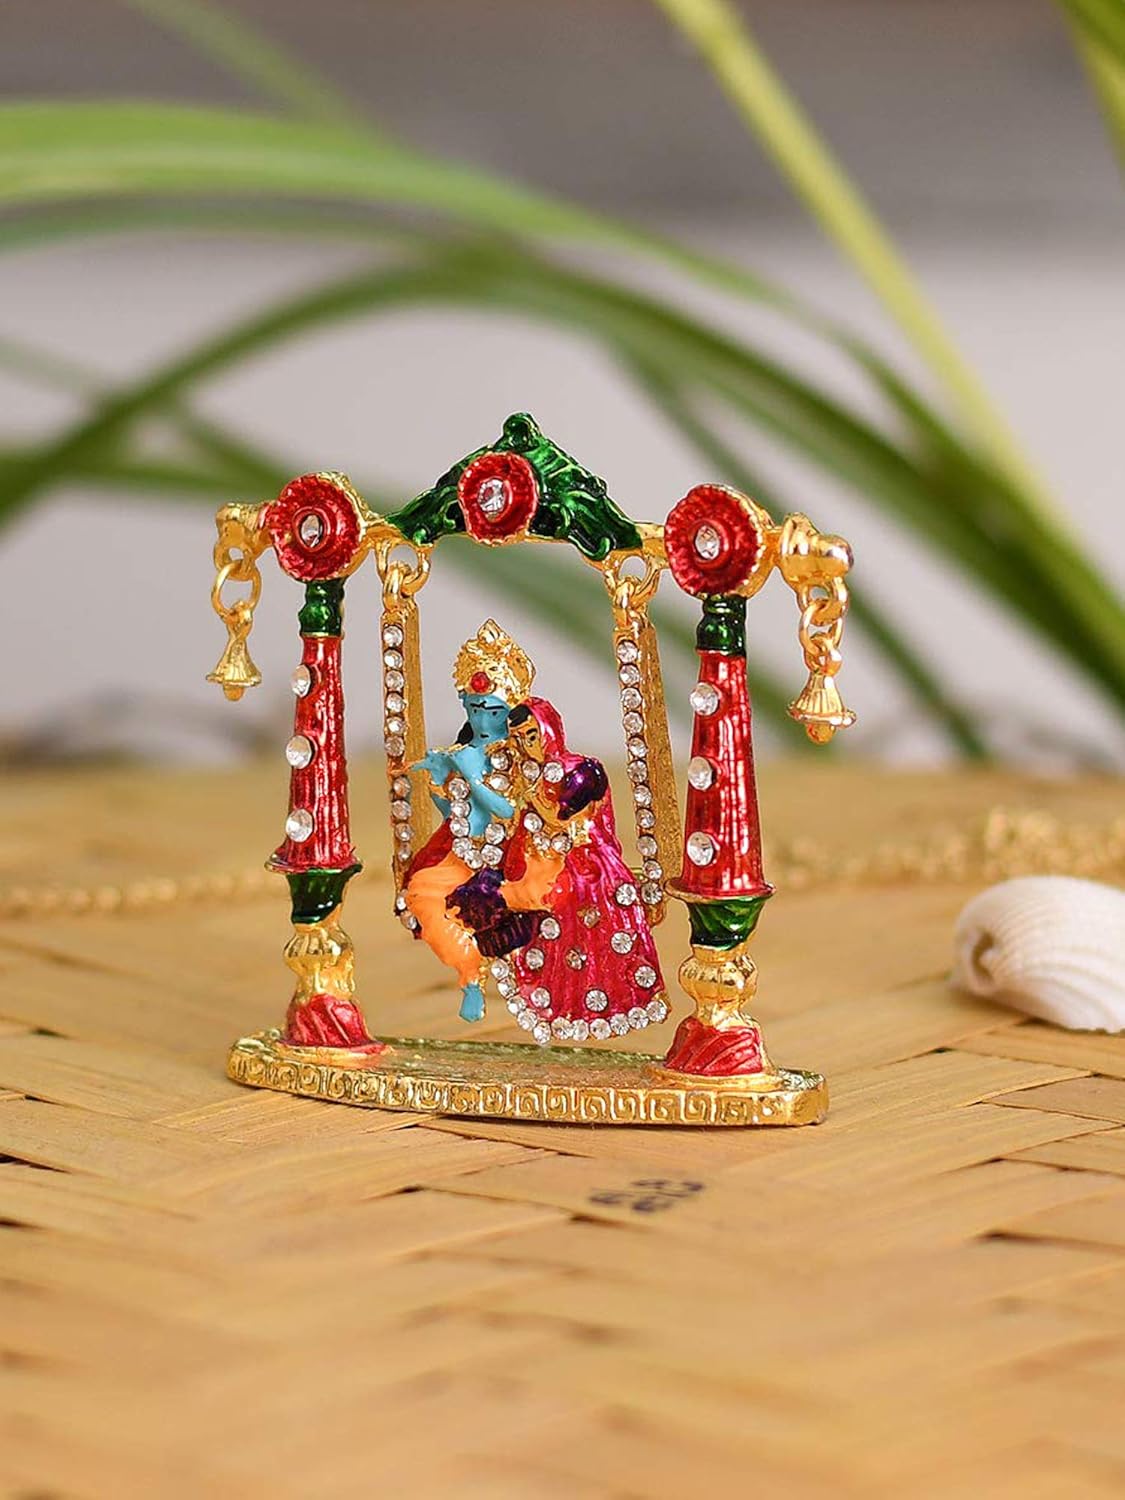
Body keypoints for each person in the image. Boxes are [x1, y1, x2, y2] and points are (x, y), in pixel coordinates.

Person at [487, 697, 668, 1045]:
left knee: (589, 921)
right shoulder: (533, 775)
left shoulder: (583, 770)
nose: (527, 746)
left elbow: (561, 817)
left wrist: (527, 793)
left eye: (531, 735)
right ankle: (561, 1010)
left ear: (549, 730)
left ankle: (621, 1007)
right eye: (519, 739)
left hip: (591, 866)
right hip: (549, 864)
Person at [402, 620, 534, 1021]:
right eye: (475, 709)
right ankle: (470, 976)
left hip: (508, 856)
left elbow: (509, 811)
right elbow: (455, 816)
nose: (483, 721)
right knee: (420, 896)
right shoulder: (462, 751)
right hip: (461, 853)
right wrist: (437, 783)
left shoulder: (517, 754)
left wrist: (473, 777)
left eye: (492, 711)